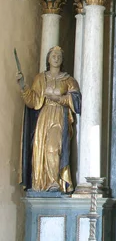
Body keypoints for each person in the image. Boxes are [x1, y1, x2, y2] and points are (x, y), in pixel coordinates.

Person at [17, 46, 81, 192]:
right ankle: (42, 183)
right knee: (41, 148)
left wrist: (59, 99)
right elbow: (33, 101)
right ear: (48, 59)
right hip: (44, 116)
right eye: (53, 55)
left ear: (62, 59)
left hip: (59, 116)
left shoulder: (68, 80)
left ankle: (54, 182)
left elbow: (76, 101)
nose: (56, 58)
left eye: (59, 55)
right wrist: (23, 87)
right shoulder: (40, 78)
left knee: (53, 148)